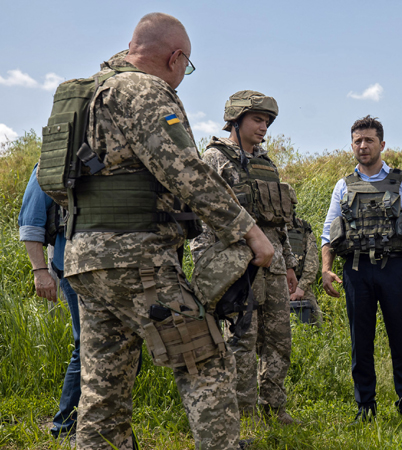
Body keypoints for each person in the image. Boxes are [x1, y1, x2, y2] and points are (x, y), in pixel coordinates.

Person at [62, 13, 274, 450]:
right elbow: (184, 170)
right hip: (138, 260)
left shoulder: (89, 93)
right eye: (186, 66)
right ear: (175, 57)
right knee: (204, 360)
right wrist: (248, 231)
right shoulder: (142, 89)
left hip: (84, 259)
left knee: (104, 383)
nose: (183, 76)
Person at [190, 90, 299, 424]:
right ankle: (244, 414)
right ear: (235, 121)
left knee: (279, 339)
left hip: (275, 263)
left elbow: (281, 221)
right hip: (236, 265)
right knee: (242, 341)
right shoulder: (215, 159)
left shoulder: (266, 164)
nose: (263, 127)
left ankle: (274, 407)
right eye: (257, 119)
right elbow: (207, 216)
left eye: (267, 121)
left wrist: (290, 263)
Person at [321, 115, 402, 421]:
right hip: (356, 271)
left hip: (394, 269)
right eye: (357, 140)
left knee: (400, 337)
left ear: (382, 144)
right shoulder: (343, 185)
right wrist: (326, 268)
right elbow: (328, 232)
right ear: (352, 145)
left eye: (369, 140)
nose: (363, 145)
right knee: (361, 341)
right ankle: (365, 406)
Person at [19, 165, 81, 440]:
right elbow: (30, 219)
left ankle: (99, 421)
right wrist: (39, 271)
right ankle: (65, 427)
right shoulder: (54, 156)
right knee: (87, 345)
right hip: (73, 268)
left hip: (118, 270)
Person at [287, 209, 322, 324]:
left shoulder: (303, 228)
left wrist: (301, 287)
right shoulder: (266, 228)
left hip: (300, 284)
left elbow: (312, 261)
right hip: (272, 285)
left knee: (316, 322)